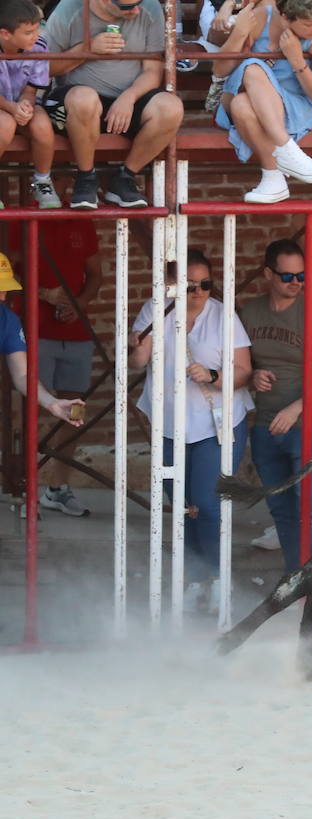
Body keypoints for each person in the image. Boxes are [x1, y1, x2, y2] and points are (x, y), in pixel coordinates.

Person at [131, 251, 253, 609]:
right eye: (189, 284)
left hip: (216, 423)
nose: (198, 291)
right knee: (182, 505)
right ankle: (195, 577)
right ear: (172, 284)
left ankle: (217, 578)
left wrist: (213, 376)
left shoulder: (222, 314)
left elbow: (244, 371)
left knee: (207, 503)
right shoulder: (157, 309)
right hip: (170, 423)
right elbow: (139, 359)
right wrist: (134, 347)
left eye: (205, 284)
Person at [240, 238, 312, 573]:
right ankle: (298, 579)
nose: (296, 283)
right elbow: (239, 366)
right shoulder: (250, 312)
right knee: (280, 508)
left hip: (306, 423)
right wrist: (253, 377)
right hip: (265, 424)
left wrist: (295, 409)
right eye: (287, 277)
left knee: (310, 508)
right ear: (268, 274)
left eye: (302, 276)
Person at [42, 0, 185, 208]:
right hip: (75, 103)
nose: (137, 10)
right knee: (84, 99)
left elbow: (153, 71)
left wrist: (129, 97)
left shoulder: (151, 7)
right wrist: (87, 49)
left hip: (128, 100)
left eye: (139, 3)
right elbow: (44, 67)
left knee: (171, 108)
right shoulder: (68, 9)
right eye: (127, 7)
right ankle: (86, 177)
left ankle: (125, 177)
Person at [213, 0, 312, 204]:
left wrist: (297, 60)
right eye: (309, 24)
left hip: (293, 108)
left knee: (242, 105)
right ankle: (286, 148)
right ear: (284, 17)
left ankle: (273, 177)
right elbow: (219, 71)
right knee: (252, 67)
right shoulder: (261, 18)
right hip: (243, 94)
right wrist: (239, 34)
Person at [0, 252, 85, 507]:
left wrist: (51, 402)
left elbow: (23, 374)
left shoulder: (7, 320)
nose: (4, 296)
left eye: (6, 290)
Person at [0, 0, 58, 208]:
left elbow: (31, 90)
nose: (35, 35)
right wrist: (12, 108)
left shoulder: (39, 46)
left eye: (37, 29)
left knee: (42, 125)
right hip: (2, 106)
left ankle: (43, 180)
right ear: (5, 34)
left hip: (20, 102)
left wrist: (25, 105)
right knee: (4, 125)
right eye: (28, 32)